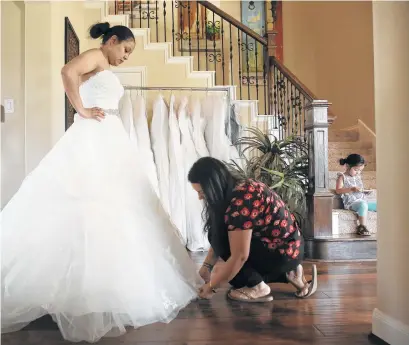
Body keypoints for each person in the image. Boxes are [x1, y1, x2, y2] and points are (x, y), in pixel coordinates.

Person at [1, 22, 202, 343]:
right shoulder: (95, 55)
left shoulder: (103, 62)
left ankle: (101, 285)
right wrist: (79, 108)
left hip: (108, 133)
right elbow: (67, 72)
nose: (126, 56)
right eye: (125, 49)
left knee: (114, 204)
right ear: (111, 41)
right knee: (88, 200)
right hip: (93, 132)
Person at [187, 157, 318, 302]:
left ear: (214, 187)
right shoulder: (238, 188)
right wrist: (207, 267)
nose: (200, 197)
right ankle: (290, 273)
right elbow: (219, 235)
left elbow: (240, 255)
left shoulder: (240, 202)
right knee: (219, 240)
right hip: (289, 247)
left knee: (234, 270)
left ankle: (258, 288)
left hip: (283, 252)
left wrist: (211, 287)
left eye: (202, 192)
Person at [336, 154, 377, 236]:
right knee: (363, 205)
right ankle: (362, 227)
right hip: (351, 203)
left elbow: (359, 190)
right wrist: (351, 189)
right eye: (356, 170)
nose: (358, 172)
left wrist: (365, 191)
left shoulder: (358, 176)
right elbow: (338, 190)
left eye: (360, 170)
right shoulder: (342, 177)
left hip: (363, 200)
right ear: (347, 166)